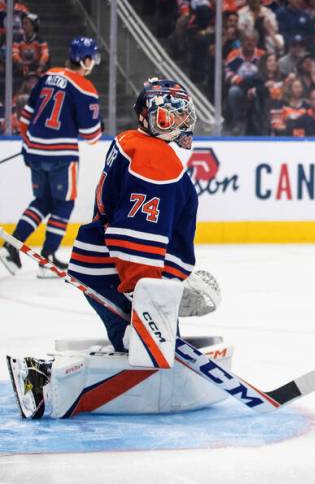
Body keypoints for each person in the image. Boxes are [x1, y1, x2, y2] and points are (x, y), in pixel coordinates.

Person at [6, 78, 225, 420]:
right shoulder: (153, 157)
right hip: (121, 275)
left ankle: (124, 350)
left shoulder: (133, 142)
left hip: (103, 268)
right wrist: (147, 289)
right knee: (149, 349)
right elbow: (135, 235)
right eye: (169, 117)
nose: (179, 124)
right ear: (146, 117)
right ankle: (46, 379)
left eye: (183, 116)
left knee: (140, 343)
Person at [1, 38, 102, 278]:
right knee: (64, 203)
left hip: (35, 150)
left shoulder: (49, 75)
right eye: (93, 59)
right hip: (61, 154)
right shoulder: (85, 87)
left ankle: (11, 246)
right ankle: (47, 258)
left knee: (43, 201)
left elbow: (25, 117)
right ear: (85, 60)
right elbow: (92, 136)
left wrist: (30, 144)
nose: (94, 64)